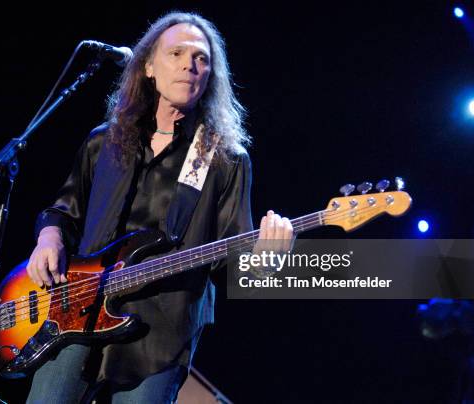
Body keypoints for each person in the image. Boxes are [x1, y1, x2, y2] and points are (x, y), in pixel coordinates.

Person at [25, 11, 294, 403]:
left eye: (201, 58)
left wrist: (266, 258)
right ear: (148, 67)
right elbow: (64, 209)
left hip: (160, 333)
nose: (190, 64)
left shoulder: (221, 158)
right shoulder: (105, 143)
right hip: (74, 314)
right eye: (177, 53)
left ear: (210, 76)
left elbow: (231, 260)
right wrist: (48, 238)